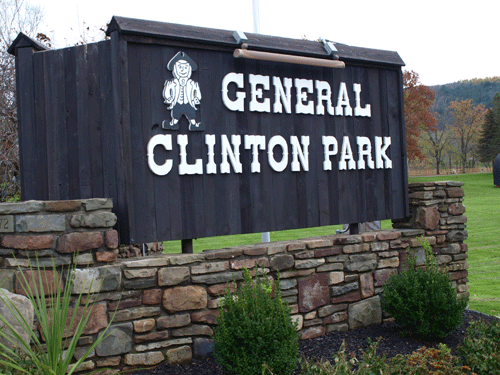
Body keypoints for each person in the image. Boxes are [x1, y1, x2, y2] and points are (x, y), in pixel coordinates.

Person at [162, 51, 203, 131]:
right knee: (176, 114)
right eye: (180, 67)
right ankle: (173, 124)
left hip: (188, 102)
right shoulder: (172, 83)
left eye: (185, 68)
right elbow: (167, 91)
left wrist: (196, 98)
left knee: (191, 114)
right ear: (175, 69)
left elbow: (197, 92)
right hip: (177, 102)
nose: (183, 70)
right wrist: (169, 97)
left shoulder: (192, 83)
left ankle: (194, 125)